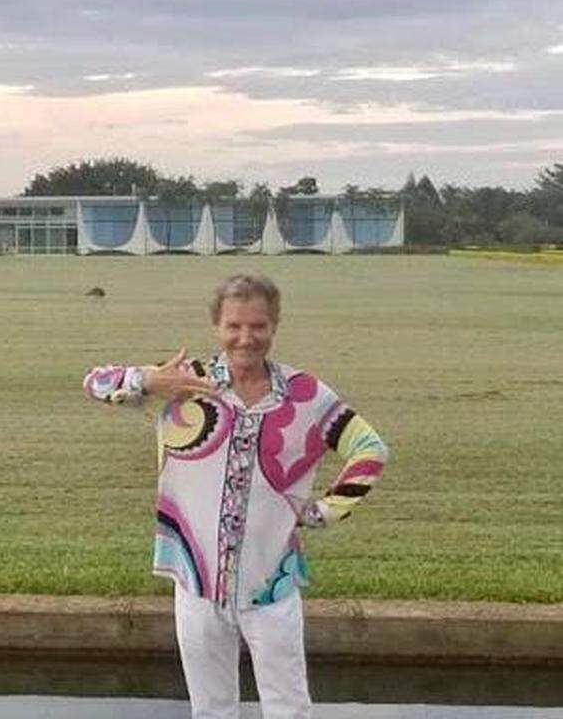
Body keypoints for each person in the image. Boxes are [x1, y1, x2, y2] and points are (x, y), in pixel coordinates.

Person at [82, 273, 388, 719]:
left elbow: (370, 449)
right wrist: (147, 380)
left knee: (288, 709)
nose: (246, 338)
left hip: (272, 582)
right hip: (196, 582)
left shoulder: (305, 395)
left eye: (258, 326)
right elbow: (94, 383)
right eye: (234, 326)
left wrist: (323, 512)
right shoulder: (185, 382)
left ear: (274, 326)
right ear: (217, 327)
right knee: (211, 710)